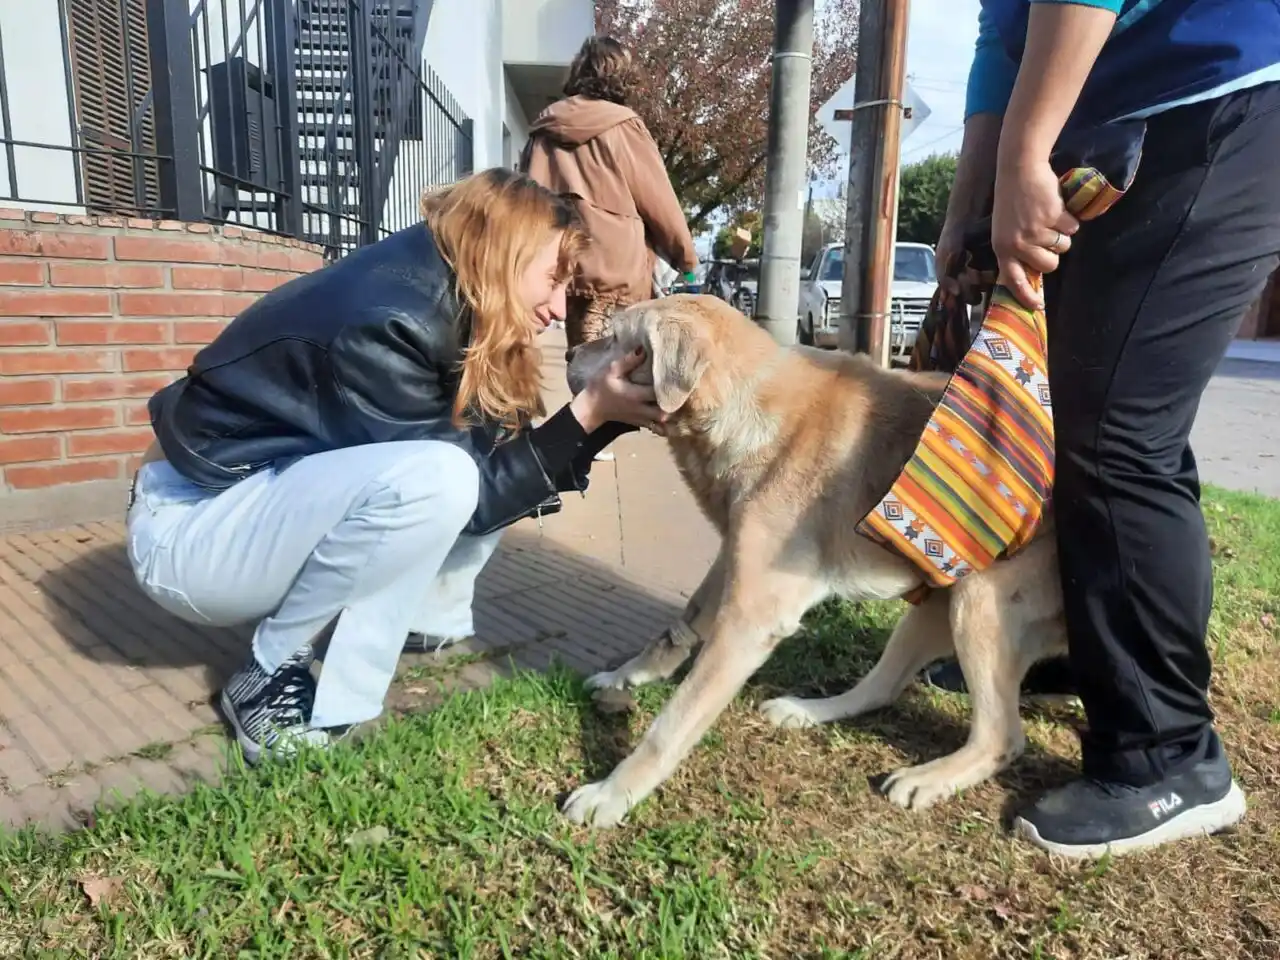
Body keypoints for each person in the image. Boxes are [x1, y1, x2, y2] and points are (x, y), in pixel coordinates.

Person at [126, 169, 664, 763]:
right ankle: (267, 676)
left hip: (245, 502)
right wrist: (591, 411)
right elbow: (474, 495)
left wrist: (609, 416)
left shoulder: (449, 298)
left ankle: (420, 613)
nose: (561, 310)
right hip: (190, 538)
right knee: (441, 480)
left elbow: (507, 468)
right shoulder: (391, 324)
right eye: (553, 280)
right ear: (505, 253)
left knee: (468, 462)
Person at [923, 0, 1280, 858]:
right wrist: (973, 195)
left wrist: (1023, 154)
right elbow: (999, 34)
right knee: (1088, 413)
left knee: (1119, 435)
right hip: (1132, 121)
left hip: (1222, 99)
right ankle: (1089, 654)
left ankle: (1170, 756)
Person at [522, 34, 698, 354]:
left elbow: (523, 202)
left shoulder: (542, 131)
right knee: (618, 371)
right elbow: (658, 201)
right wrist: (685, 260)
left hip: (561, 268)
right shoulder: (623, 125)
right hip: (616, 273)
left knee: (582, 364)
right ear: (620, 76)